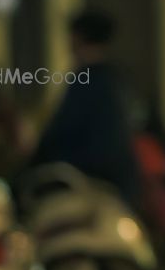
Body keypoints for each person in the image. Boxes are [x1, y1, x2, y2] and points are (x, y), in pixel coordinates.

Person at [31, 11, 142, 210]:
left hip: (85, 185)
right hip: (120, 186)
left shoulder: (85, 81)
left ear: (77, 38)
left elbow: (61, 131)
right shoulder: (117, 79)